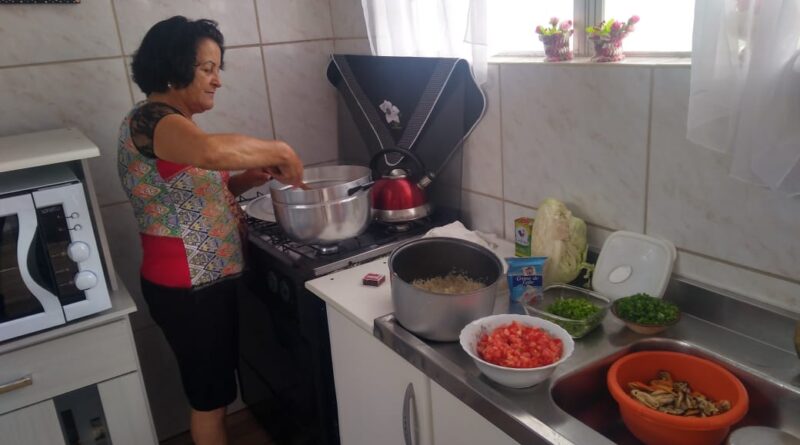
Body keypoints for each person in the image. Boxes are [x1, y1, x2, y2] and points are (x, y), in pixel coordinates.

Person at [117, 16, 304, 445]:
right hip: (189, 290)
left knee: (214, 391)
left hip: (201, 284)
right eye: (207, 69)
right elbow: (209, 152)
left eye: (218, 69)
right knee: (209, 399)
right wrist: (281, 150)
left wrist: (243, 181)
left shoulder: (169, 124)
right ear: (173, 67)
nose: (218, 81)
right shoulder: (153, 121)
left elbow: (184, 192)